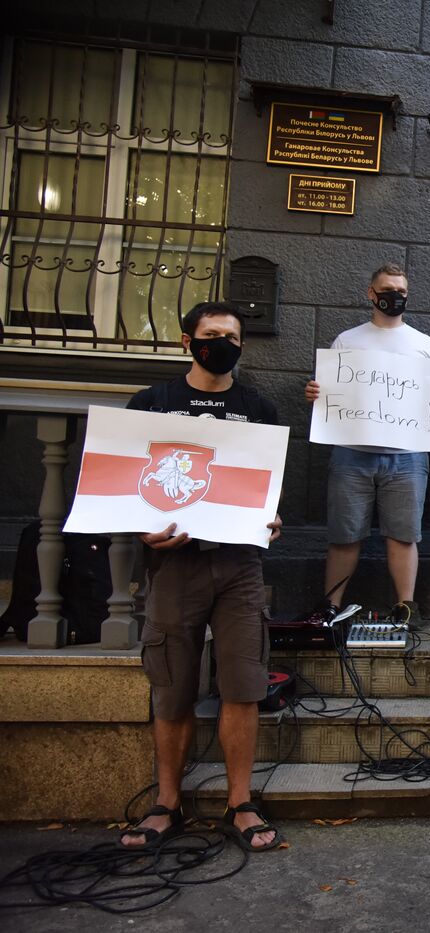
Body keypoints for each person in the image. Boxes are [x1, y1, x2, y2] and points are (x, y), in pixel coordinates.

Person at [119, 301, 284, 853]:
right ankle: (166, 802)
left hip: (239, 566)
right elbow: (125, 481)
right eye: (212, 335)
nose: (223, 343)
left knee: (241, 686)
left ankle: (241, 803)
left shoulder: (258, 409)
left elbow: (265, 488)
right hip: (174, 566)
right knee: (172, 688)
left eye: (232, 336)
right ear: (187, 341)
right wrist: (142, 530)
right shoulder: (152, 405)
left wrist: (271, 517)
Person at [303, 263, 430, 628]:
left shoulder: (424, 345)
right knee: (344, 534)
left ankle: (406, 605)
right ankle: (330, 606)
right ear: (371, 294)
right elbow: (328, 390)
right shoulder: (347, 340)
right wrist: (317, 391)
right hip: (352, 453)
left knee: (404, 535)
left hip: (406, 457)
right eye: (388, 290)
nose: (395, 297)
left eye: (401, 292)